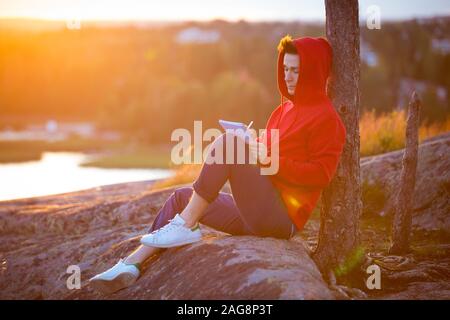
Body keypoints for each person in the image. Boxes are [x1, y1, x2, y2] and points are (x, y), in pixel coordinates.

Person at [89, 35, 346, 294]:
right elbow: (272, 151)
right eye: (286, 69)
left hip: (280, 218)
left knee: (227, 144)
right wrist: (252, 143)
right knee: (182, 197)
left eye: (296, 71)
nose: (288, 77)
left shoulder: (327, 119)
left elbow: (321, 175)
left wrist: (271, 160)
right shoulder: (282, 111)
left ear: (313, 72)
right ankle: (131, 264)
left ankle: (186, 225)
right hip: (254, 209)